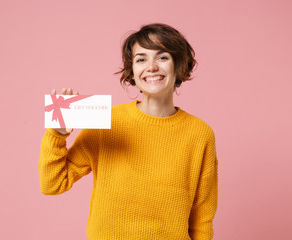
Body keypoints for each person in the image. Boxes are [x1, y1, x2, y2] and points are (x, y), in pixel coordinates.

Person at [39, 23, 218, 240]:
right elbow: (53, 183)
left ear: (178, 64)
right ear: (131, 70)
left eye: (162, 57)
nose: (151, 66)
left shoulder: (199, 134)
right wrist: (57, 135)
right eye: (141, 59)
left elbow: (202, 215)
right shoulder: (109, 122)